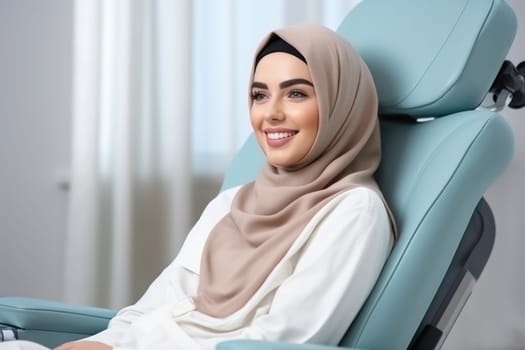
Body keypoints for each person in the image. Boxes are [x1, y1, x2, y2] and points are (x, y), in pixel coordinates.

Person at [0, 23, 395, 350]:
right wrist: (105, 343)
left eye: (296, 94)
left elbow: (284, 340)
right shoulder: (232, 203)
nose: (271, 113)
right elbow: (158, 302)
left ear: (340, 105)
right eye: (259, 95)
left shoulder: (354, 211)